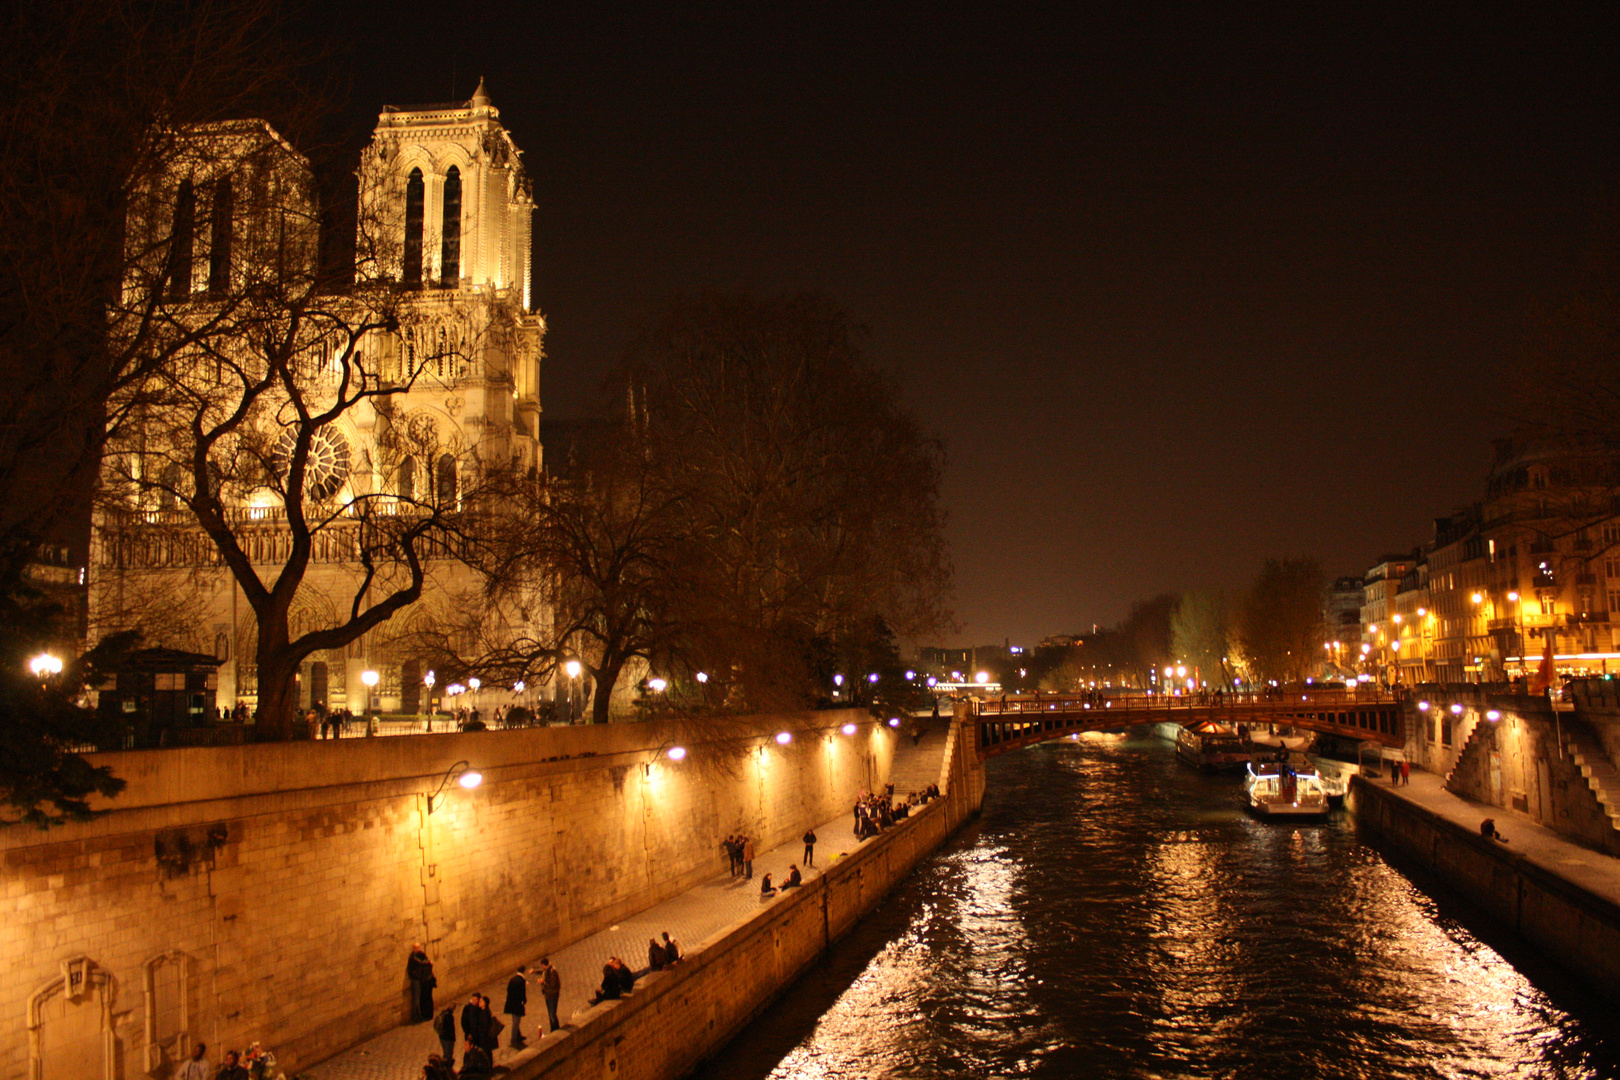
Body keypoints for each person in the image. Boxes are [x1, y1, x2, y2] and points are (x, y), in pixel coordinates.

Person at [407, 943, 436, 1023]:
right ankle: (415, 1017)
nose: (418, 949)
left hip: (421, 979)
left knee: (421, 998)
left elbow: (425, 961)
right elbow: (421, 963)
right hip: (415, 979)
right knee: (416, 999)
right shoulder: (413, 957)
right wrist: (429, 962)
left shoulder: (421, 955)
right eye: (416, 948)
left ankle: (420, 1015)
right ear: (413, 949)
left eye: (418, 947)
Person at [504, 965, 530, 1048]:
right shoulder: (521, 981)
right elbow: (522, 993)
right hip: (517, 1004)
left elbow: (508, 990)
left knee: (515, 1020)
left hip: (511, 1004)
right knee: (516, 1021)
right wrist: (523, 1001)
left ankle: (518, 1036)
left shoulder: (512, 979)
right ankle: (514, 1039)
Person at [538, 957, 562, 1032]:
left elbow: (552, 985)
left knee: (552, 1013)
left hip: (552, 995)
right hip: (548, 995)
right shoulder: (547, 970)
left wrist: (542, 983)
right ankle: (553, 1028)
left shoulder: (552, 972)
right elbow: (542, 972)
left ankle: (556, 1028)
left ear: (544, 965)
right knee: (550, 1013)